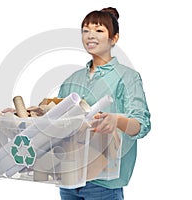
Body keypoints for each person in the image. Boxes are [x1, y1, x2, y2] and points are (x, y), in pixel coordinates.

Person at [57, 7, 151, 199]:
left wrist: (117, 120)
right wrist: (25, 115)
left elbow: (141, 125)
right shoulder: (72, 80)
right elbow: (56, 121)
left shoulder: (127, 77)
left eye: (99, 30)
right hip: (68, 178)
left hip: (104, 183)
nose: (90, 35)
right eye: (85, 30)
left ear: (114, 38)